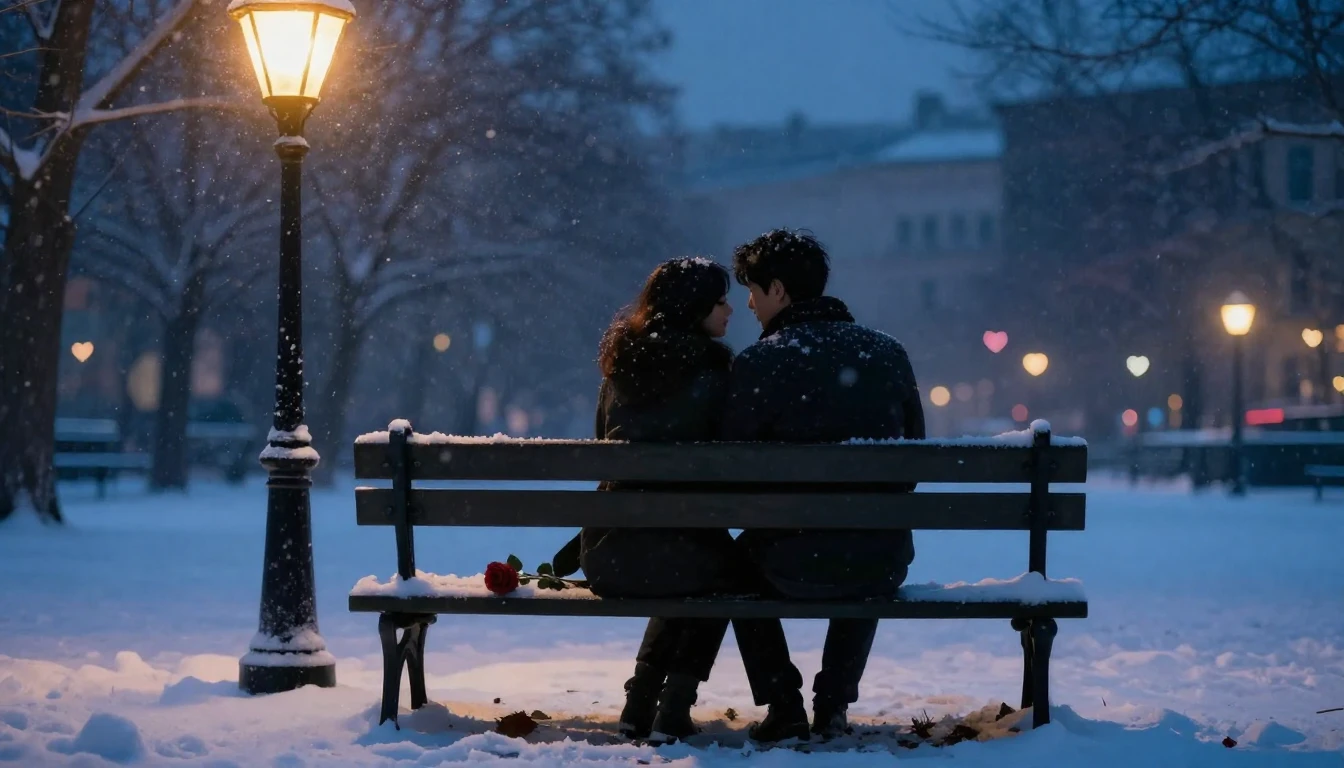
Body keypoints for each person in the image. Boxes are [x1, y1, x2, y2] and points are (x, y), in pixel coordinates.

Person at [722, 229, 926, 742]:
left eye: (753, 290)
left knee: (730, 568)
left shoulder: (758, 362)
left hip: (786, 558)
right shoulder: (887, 353)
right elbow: (911, 461)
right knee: (866, 535)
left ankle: (783, 703)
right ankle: (833, 702)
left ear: (778, 289)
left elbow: (732, 468)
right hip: (878, 558)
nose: (748, 303)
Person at [569, 256, 738, 742]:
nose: (730, 309)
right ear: (693, 307)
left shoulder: (619, 368)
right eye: (720, 300)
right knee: (719, 574)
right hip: (688, 553)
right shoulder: (717, 373)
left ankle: (641, 700)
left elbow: (603, 448)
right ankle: (673, 707)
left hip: (610, 554)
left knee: (682, 554)